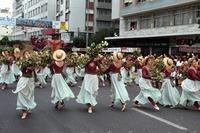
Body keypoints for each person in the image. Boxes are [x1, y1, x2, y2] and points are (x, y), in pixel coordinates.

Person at [12, 51, 36, 119]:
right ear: (24, 55)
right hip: (23, 79)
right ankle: (24, 111)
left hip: (30, 80)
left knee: (30, 94)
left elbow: (34, 69)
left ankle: (28, 106)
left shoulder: (32, 61)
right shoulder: (22, 61)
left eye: (28, 53)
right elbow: (20, 68)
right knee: (22, 94)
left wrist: (31, 68)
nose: (27, 54)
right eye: (26, 53)